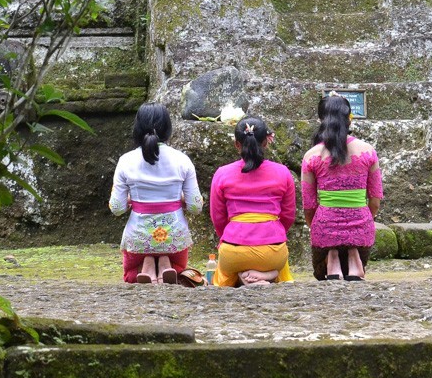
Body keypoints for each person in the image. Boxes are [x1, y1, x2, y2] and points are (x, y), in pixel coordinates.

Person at [109, 103, 202, 284]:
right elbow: (196, 206)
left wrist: (133, 201)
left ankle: (148, 265)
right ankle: (165, 263)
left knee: (130, 276)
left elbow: (117, 208)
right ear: (167, 128)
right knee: (180, 272)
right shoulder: (182, 160)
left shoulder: (125, 161)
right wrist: (178, 200)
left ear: (136, 128)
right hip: (174, 239)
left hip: (138, 240)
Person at [301, 93, 383, 281]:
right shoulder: (368, 151)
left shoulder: (312, 155)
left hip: (324, 228)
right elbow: (376, 199)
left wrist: (319, 227)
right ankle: (354, 259)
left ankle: (333, 258)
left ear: (321, 119)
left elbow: (309, 206)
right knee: (354, 247)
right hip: (361, 226)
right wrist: (361, 220)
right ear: (349, 119)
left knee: (326, 257)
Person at [208, 116, 297, 286]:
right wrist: (272, 231)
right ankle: (268, 274)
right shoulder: (283, 173)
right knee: (277, 261)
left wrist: (233, 237)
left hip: (234, 251)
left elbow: (218, 218)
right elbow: (288, 216)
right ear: (265, 142)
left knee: (229, 269)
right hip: (273, 253)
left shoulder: (222, 173)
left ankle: (244, 276)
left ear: (237, 144)